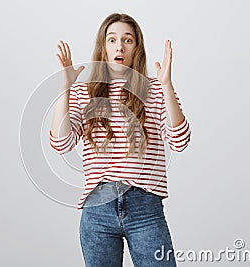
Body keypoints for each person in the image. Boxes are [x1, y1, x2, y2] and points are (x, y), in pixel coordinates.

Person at [49, 13, 191, 267]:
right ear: (103, 47)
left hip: (145, 206)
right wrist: (65, 89)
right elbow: (61, 143)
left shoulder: (156, 90)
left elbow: (179, 140)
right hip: (98, 209)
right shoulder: (85, 92)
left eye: (128, 40)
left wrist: (167, 85)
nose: (119, 47)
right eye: (112, 39)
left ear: (137, 48)